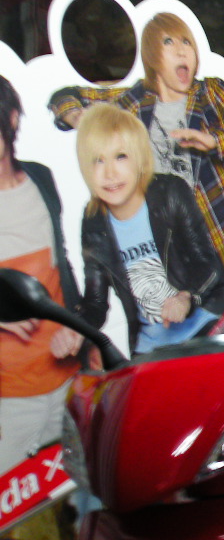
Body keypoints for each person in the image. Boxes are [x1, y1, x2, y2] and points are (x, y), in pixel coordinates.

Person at [50, 13, 224, 298]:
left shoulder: (210, 92)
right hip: (169, 248)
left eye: (186, 42)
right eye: (169, 42)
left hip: (220, 234)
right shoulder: (134, 101)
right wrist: (76, 116)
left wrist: (215, 140)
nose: (181, 51)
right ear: (152, 57)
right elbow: (66, 96)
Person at [75, 104, 224, 354]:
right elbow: (96, 304)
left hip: (204, 330)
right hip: (149, 348)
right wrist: (73, 329)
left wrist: (185, 297)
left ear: (140, 158)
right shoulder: (93, 221)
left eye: (120, 156)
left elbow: (208, 263)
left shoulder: (170, 193)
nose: (110, 173)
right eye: (97, 160)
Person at [0, 75, 83, 473]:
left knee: (74, 493)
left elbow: (61, 264)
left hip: (66, 378)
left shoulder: (40, 178)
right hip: (10, 399)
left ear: (12, 119)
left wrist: (79, 327)